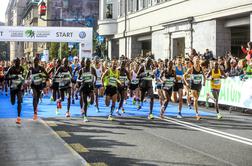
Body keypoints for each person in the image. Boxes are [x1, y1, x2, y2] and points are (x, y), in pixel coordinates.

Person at [184, 56, 206, 120]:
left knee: (196, 98)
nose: (197, 61)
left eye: (198, 60)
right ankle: (197, 114)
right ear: (193, 61)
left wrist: (204, 82)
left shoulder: (201, 68)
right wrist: (187, 83)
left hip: (199, 85)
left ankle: (190, 96)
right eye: (196, 60)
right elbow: (184, 76)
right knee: (196, 99)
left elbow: (204, 76)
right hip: (193, 85)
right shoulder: (191, 69)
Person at [5, 58, 25, 124]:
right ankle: (12, 99)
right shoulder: (11, 69)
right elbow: (5, 77)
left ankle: (18, 117)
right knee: (13, 102)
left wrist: (23, 83)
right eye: (16, 62)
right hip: (12, 88)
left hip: (19, 88)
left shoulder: (22, 69)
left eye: (19, 62)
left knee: (19, 101)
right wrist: (13, 77)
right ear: (14, 62)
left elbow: (24, 78)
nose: (18, 63)